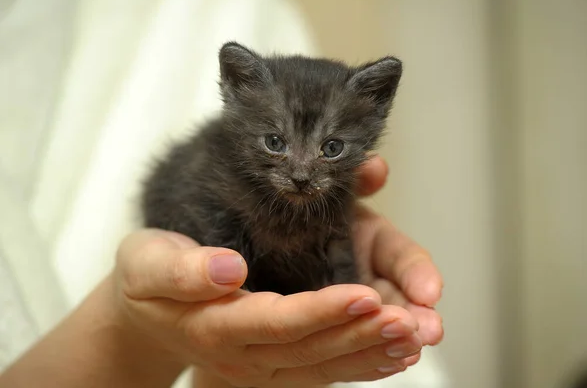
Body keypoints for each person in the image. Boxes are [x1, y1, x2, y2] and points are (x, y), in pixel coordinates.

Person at [0, 156, 443, 388]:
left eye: (330, 149)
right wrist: (132, 326)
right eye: (277, 143)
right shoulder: (217, 178)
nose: (304, 170)